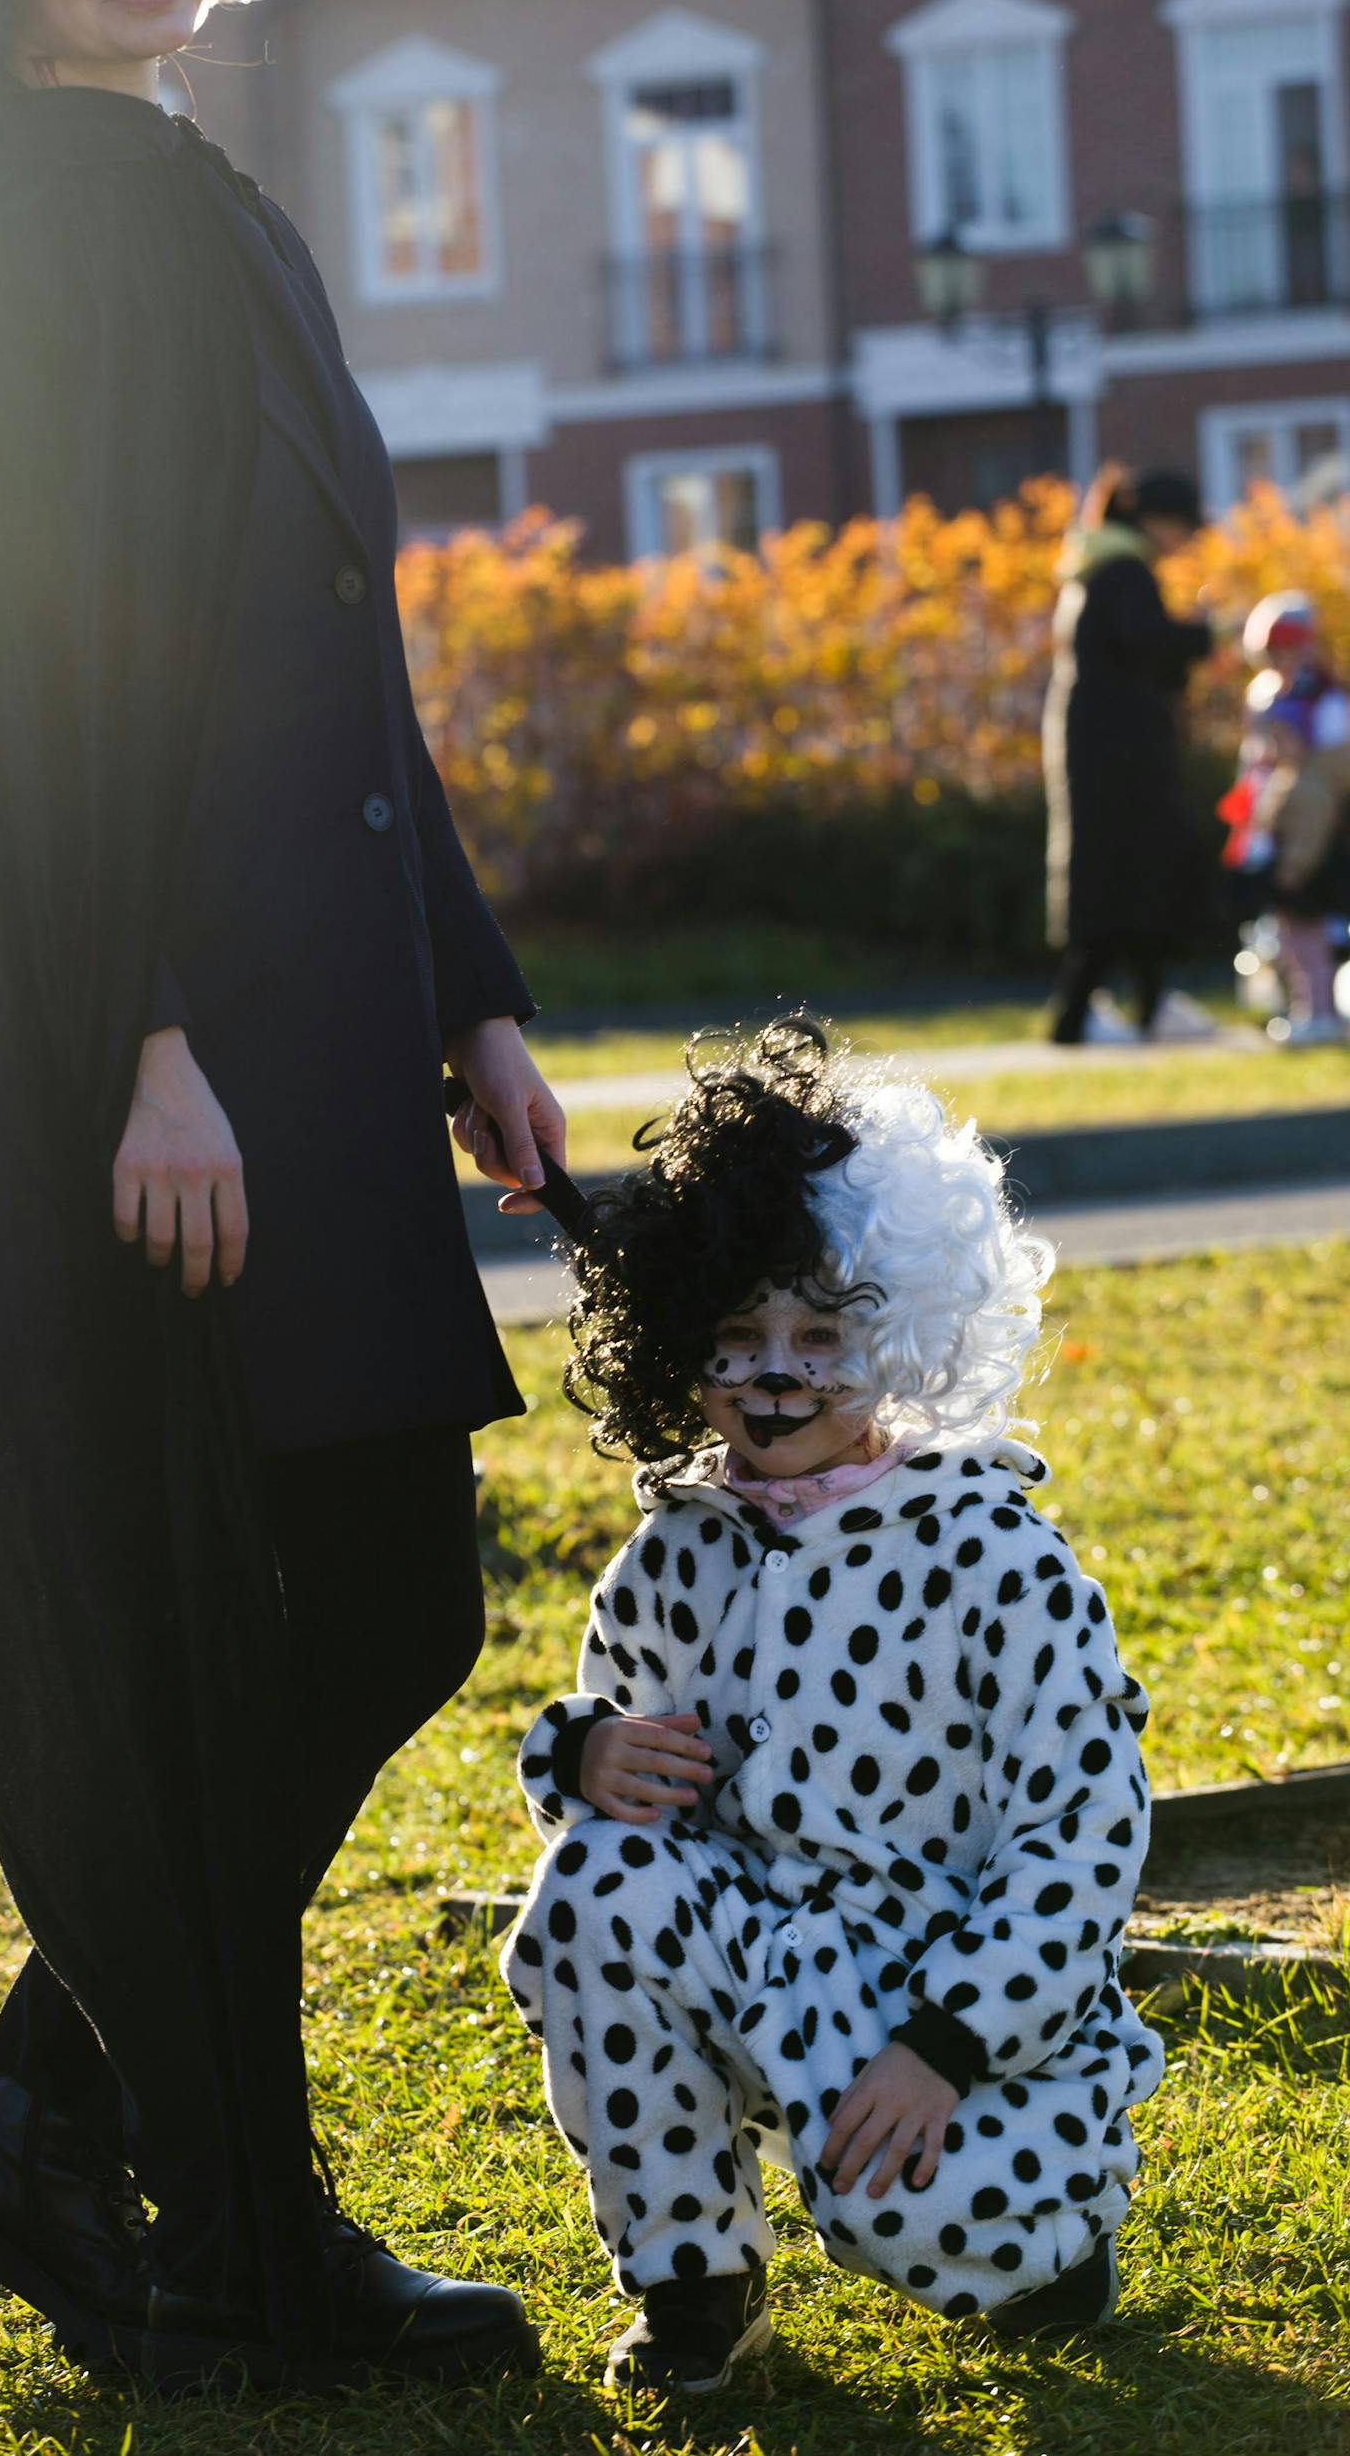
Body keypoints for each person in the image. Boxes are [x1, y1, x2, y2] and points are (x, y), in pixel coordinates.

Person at [0, 0, 563, 2393]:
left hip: (317, 1027)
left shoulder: (197, 196)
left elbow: (329, 657)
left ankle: (65, 2123)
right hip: (166, 1065)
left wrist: (467, 993)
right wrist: (145, 1035)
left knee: (365, 1604)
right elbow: (18, 682)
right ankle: (227, 2226)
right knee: (288, 1612)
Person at [500, 1021, 1162, 2412]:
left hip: (946, 1999)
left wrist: (947, 2044)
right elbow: (618, 1759)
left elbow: (1084, 1826)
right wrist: (587, 1754)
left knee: (905, 2218)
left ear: (905, 1335)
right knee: (596, 1885)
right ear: (679, 1346)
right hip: (760, 1961)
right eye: (736, 1339)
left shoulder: (995, 1552)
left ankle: (1054, 2237)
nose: (777, 1375)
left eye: (821, 1334)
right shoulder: (682, 1547)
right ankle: (694, 2277)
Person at [1043, 463, 1220, 1045]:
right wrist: (1201, 634)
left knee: (1115, 872)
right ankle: (1100, 1011)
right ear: (1156, 522)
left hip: (1095, 744)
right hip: (1121, 749)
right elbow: (1147, 645)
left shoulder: (1092, 568)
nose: (1186, 541)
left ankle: (1131, 1006)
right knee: (1129, 868)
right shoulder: (1124, 572)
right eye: (1184, 528)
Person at [1218, 592, 1350, 1045]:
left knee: (1310, 929)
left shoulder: (1326, 703)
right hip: (1275, 828)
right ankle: (1307, 1009)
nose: (1281, 660)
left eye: (1289, 649)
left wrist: (1298, 856)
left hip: (1311, 836)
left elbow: (1326, 785)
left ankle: (1320, 1012)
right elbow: (1254, 771)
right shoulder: (1266, 697)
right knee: (1286, 931)